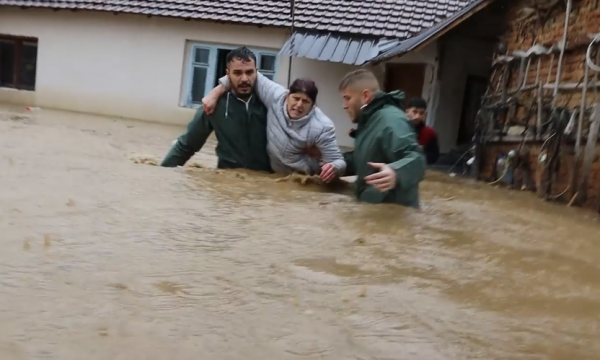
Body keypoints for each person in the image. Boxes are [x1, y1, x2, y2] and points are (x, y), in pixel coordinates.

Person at [202, 72, 345, 183]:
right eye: (296, 98)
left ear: (313, 105)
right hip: (274, 176)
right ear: (287, 96)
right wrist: (214, 94)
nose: (299, 105)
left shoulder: (322, 127)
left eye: (305, 101)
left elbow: (337, 160)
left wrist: (334, 168)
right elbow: (249, 75)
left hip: (303, 180)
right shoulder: (276, 97)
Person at [160, 47, 271, 171]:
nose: (244, 79)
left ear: (257, 72)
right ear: (228, 74)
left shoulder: (270, 103)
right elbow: (186, 146)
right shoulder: (214, 106)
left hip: (266, 179)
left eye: (249, 72)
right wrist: (162, 173)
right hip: (227, 180)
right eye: (237, 73)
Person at [338, 69, 426, 208]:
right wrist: (331, 160)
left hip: (394, 217)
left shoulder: (391, 121)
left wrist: (395, 172)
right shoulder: (370, 121)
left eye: (347, 98)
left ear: (365, 96)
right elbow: (365, 162)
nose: (344, 105)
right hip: (373, 210)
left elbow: (418, 160)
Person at [406, 97, 440, 165]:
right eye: (414, 112)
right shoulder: (398, 128)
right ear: (407, 111)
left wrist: (422, 151)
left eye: (421, 113)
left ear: (425, 115)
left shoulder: (429, 132)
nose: (417, 116)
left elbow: (434, 156)